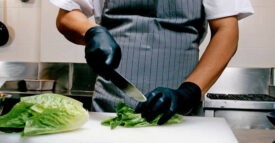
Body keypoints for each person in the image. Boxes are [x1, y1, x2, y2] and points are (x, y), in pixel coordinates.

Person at [50, 0, 254, 125]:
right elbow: (67, 14)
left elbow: (226, 31)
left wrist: (189, 92)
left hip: (179, 114)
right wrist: (91, 31)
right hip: (109, 113)